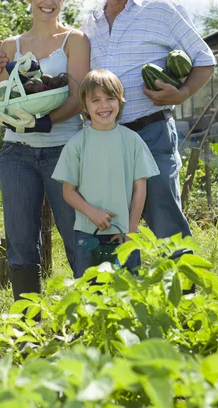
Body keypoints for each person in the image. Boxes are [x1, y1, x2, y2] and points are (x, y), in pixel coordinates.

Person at [0, 0, 215, 247]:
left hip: (149, 133)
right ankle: (121, 293)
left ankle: (187, 292)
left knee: (165, 221)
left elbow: (204, 61)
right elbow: (58, 76)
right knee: (111, 226)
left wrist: (180, 94)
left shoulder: (162, 10)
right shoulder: (89, 25)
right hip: (102, 140)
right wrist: (9, 65)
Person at [0, 0, 90, 301]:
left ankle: (88, 320)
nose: (48, 0)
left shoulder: (74, 41)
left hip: (64, 150)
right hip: (16, 153)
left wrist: (46, 123)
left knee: (78, 235)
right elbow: (7, 100)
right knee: (20, 243)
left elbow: (77, 96)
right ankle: (26, 326)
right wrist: (2, 83)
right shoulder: (10, 46)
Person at [52, 69, 159, 278]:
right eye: (95, 100)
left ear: (120, 101)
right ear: (85, 105)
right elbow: (68, 191)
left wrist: (132, 228)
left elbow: (140, 188)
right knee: (89, 295)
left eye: (110, 98)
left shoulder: (133, 140)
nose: (103, 106)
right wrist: (92, 212)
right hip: (87, 234)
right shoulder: (76, 144)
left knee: (128, 296)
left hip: (125, 235)